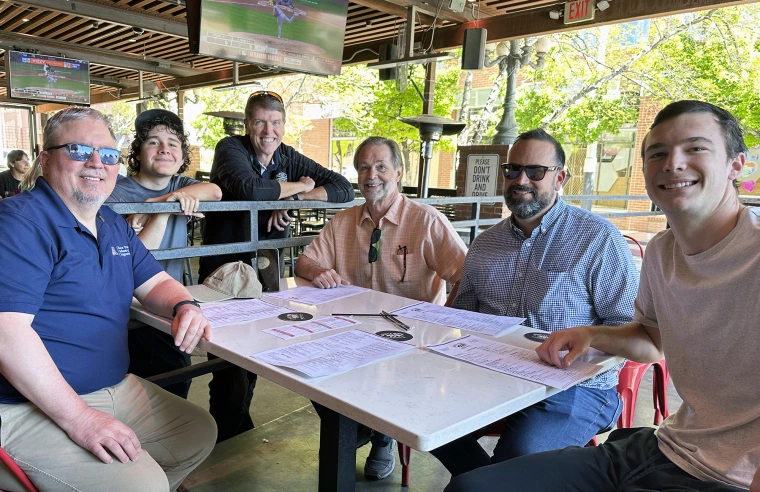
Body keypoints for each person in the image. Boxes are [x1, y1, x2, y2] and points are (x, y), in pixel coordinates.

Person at [446, 100, 760, 492]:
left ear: (736, 165)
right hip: (670, 448)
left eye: (695, 148)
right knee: (469, 483)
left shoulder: (597, 236)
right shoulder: (664, 251)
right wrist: (591, 335)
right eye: (657, 153)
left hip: (586, 394)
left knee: (509, 465)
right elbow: (650, 340)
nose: (672, 163)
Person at [0, 107, 217, 491]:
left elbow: (155, 285)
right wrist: (81, 419)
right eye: (80, 150)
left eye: (109, 154)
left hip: (113, 388)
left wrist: (186, 306)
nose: (98, 162)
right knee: (143, 485)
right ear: (45, 157)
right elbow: (6, 333)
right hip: (22, 405)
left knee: (196, 433)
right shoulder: (19, 220)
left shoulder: (111, 223)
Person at [430, 128, 639, 477]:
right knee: (417, 414)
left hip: (574, 386)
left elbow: (628, 327)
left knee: (518, 458)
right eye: (512, 170)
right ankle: (488, 482)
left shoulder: (598, 238)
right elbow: (462, 317)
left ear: (560, 178)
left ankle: (492, 481)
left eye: (535, 171)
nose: (521, 179)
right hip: (491, 374)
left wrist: (586, 335)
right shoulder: (485, 244)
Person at [295, 136, 468, 480]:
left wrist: (442, 321)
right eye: (363, 167)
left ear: (399, 173)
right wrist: (319, 271)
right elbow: (305, 262)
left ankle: (382, 435)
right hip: (351, 333)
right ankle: (353, 426)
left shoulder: (425, 220)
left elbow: (466, 276)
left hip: (411, 340)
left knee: (387, 368)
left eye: (380, 166)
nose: (371, 175)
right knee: (303, 366)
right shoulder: (342, 222)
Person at [200, 89, 354, 442]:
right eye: (259, 122)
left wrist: (295, 197)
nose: (268, 130)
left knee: (255, 351)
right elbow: (250, 189)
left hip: (266, 271)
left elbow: (343, 188)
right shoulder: (230, 148)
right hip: (224, 270)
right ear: (247, 124)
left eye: (276, 122)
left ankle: (237, 427)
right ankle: (223, 436)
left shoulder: (286, 154)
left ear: (284, 125)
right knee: (227, 360)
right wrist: (296, 184)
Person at [107, 108, 222, 399]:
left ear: (183, 156)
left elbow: (216, 192)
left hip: (167, 308)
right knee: (132, 392)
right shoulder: (116, 194)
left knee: (175, 384)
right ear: (138, 152)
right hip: (128, 311)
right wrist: (162, 211)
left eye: (173, 143)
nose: (164, 149)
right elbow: (140, 261)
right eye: (153, 142)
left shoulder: (180, 186)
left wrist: (161, 201)